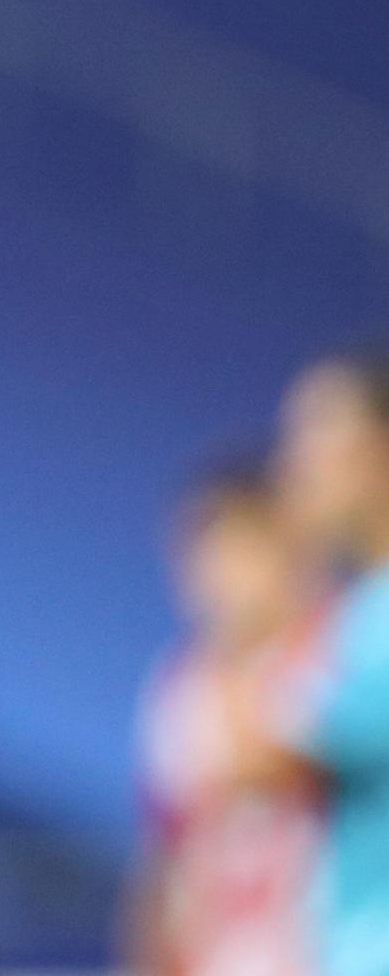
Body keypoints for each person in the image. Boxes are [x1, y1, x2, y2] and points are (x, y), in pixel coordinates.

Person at [130, 466, 327, 976]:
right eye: (196, 557)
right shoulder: (177, 688)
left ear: (289, 547)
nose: (213, 578)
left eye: (235, 551)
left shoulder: (345, 647)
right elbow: (165, 852)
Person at [272, 350, 389, 976]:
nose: (294, 463)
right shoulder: (353, 612)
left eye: (317, 432)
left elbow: (262, 752)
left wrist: (288, 562)